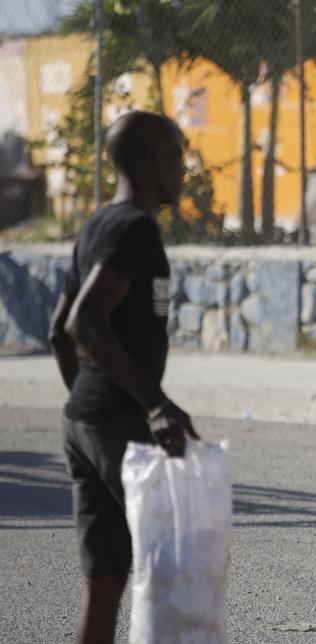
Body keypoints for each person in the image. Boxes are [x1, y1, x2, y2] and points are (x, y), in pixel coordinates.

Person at [47, 111, 196, 644]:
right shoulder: (134, 229)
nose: (184, 168)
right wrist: (151, 404)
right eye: (178, 155)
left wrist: (90, 406)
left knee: (106, 580)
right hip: (117, 422)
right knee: (176, 571)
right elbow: (83, 322)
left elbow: (57, 333)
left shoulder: (97, 223)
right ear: (152, 159)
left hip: (84, 420)